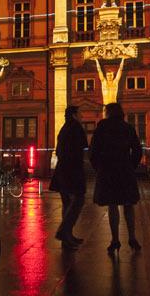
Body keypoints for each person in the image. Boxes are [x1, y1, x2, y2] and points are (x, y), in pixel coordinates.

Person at [89, 102, 142, 254]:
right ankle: (132, 237)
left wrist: (98, 167)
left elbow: (93, 150)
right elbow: (137, 150)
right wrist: (131, 165)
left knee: (112, 206)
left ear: (108, 113)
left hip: (108, 170)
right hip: (125, 170)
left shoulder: (102, 127)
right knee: (129, 205)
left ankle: (115, 240)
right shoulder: (127, 128)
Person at [50, 106, 88, 249]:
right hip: (72, 169)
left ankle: (67, 237)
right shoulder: (75, 127)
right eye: (80, 113)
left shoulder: (64, 127)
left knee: (67, 202)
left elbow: (59, 150)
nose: (82, 115)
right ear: (74, 115)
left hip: (62, 169)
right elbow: (83, 146)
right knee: (78, 199)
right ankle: (64, 231)